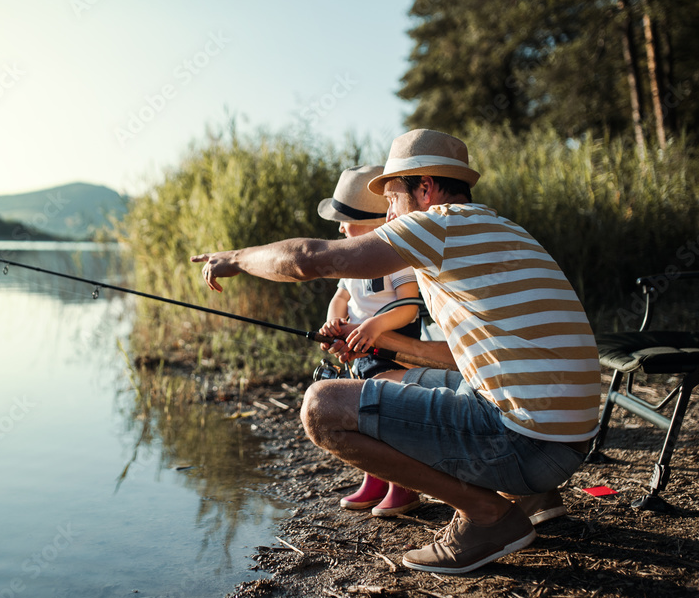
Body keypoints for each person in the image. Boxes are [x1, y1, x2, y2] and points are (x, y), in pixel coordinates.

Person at [191, 129, 601, 574]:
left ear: (424, 189)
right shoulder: (500, 230)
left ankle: (488, 517)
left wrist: (236, 257)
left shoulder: (436, 225)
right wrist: (379, 340)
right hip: (570, 441)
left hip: (529, 445)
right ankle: (532, 495)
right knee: (394, 378)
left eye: (391, 197)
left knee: (322, 406)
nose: (388, 212)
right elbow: (463, 358)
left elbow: (309, 259)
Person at [316, 164, 424, 517]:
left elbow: (409, 306)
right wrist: (335, 321)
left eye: (346, 219)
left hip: (393, 348)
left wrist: (375, 327)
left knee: (387, 413)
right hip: (360, 351)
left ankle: (403, 485)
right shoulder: (352, 260)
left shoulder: (397, 257)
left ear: (376, 222)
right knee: (362, 413)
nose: (340, 227)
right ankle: (375, 476)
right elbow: (341, 298)